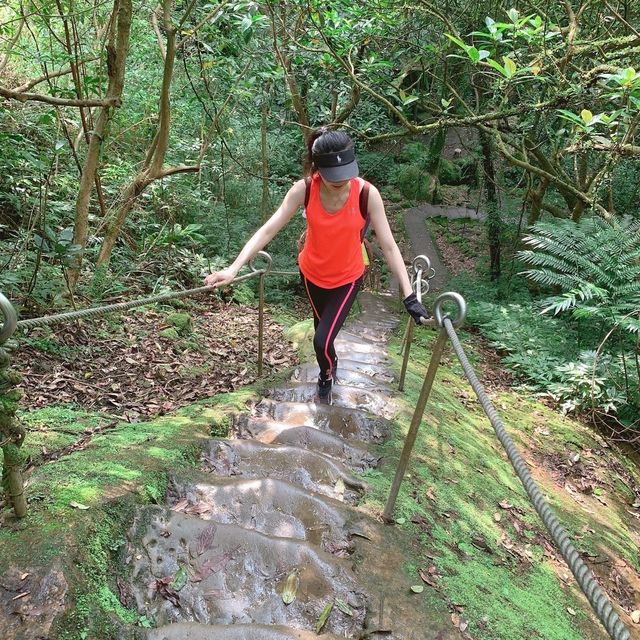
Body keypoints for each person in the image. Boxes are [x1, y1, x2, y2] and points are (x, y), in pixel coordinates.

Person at [204, 127, 429, 405]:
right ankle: (328, 366)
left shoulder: (366, 194)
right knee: (322, 332)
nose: (342, 182)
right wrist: (234, 268)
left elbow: (390, 246)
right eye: (334, 177)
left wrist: (409, 295)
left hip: (347, 278)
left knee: (321, 340)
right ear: (317, 169)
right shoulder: (305, 189)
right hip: (311, 274)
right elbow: (268, 229)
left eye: (347, 174)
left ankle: (326, 375)